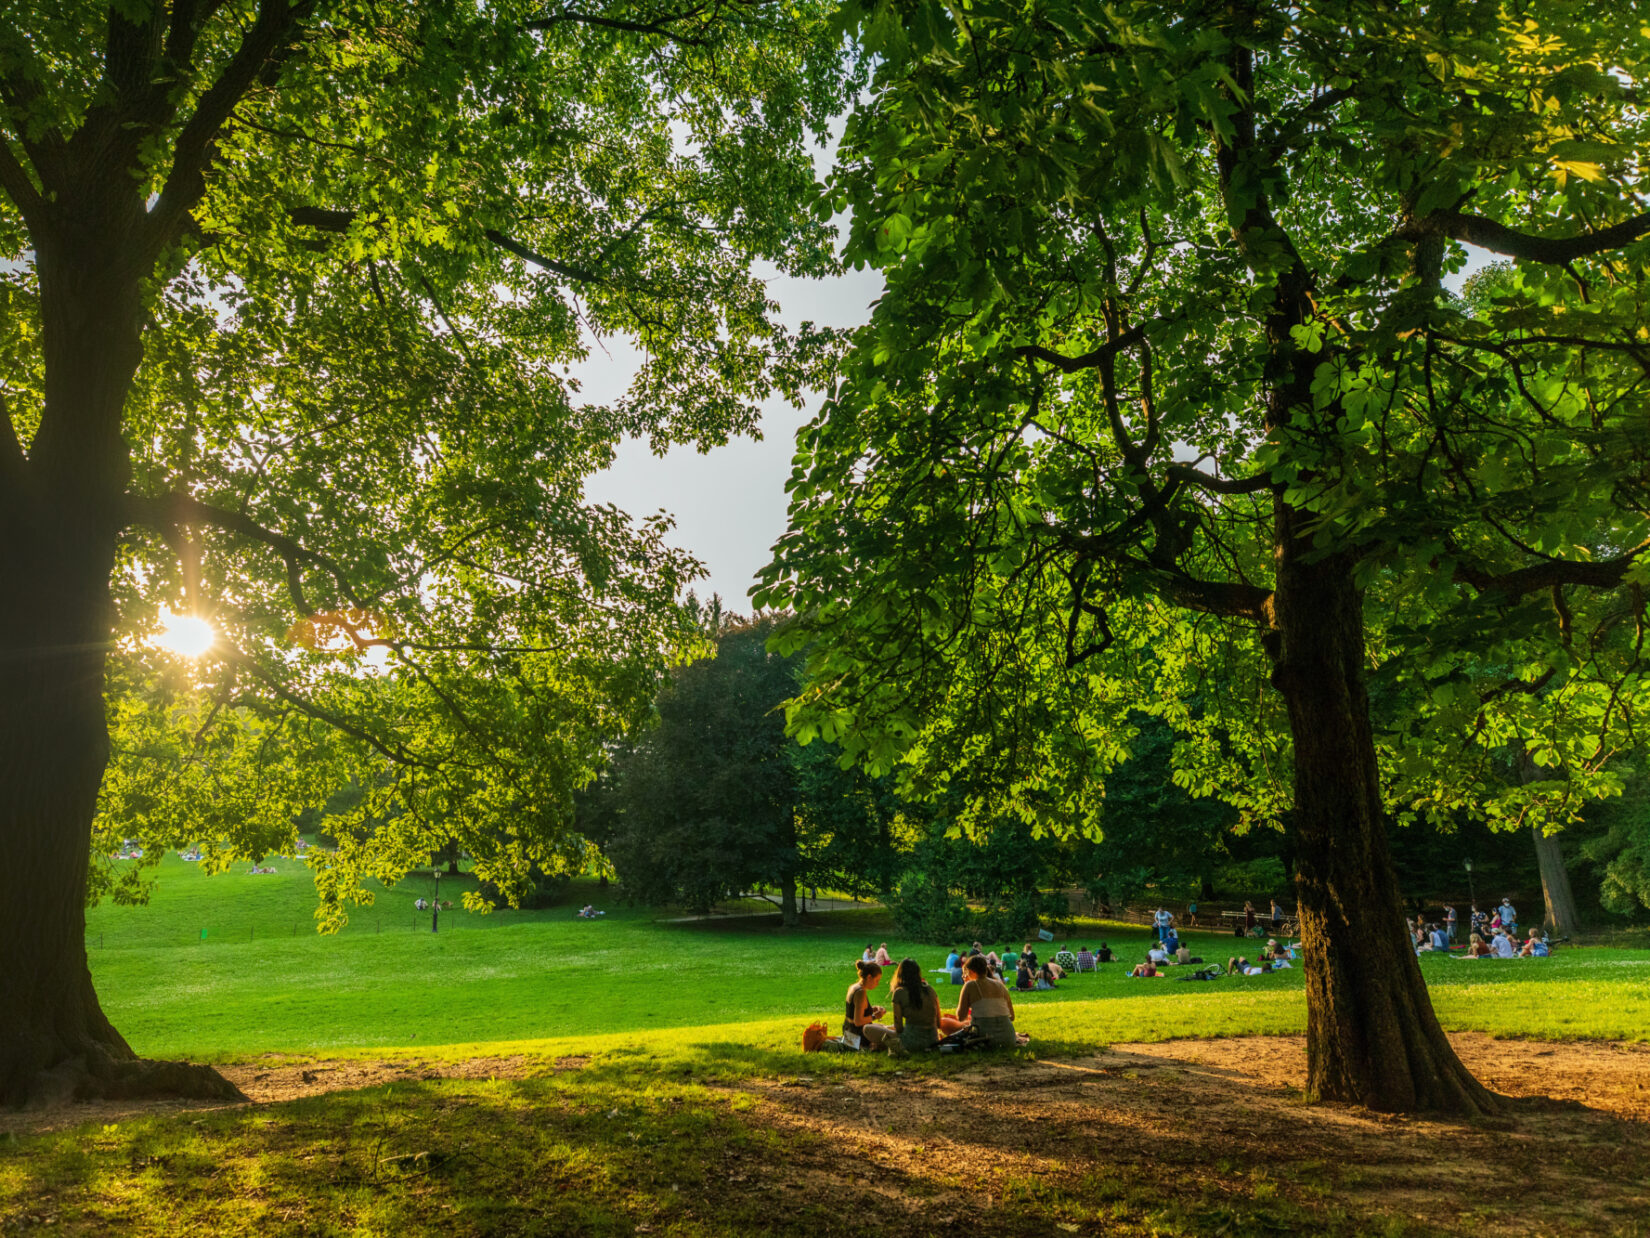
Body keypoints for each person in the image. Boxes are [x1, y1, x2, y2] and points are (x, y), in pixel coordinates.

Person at [956, 954, 1020, 1047]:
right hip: (1008, 1038)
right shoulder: (1000, 985)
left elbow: (960, 1017)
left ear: (971, 971)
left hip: (984, 1039)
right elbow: (1012, 1017)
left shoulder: (970, 985)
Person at [889, 958, 945, 1053]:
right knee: (885, 1028)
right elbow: (939, 1024)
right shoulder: (930, 990)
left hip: (910, 1043)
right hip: (933, 1041)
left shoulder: (899, 992)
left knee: (868, 1029)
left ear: (900, 974)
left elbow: (898, 1028)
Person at [844, 961, 896, 1050]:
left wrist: (872, 1009)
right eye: (877, 980)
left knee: (885, 1027)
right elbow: (858, 1021)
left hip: (848, 1032)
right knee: (887, 1032)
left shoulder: (854, 987)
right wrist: (875, 1016)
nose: (878, 984)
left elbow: (854, 1011)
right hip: (857, 1037)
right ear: (869, 977)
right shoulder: (860, 992)